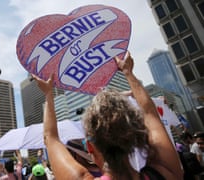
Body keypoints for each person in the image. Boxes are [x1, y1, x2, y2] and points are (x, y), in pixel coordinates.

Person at [32, 51, 183, 180]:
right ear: (139, 136)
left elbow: (50, 139)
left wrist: (48, 94)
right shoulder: (164, 172)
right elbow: (151, 114)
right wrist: (128, 72)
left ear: (90, 148)